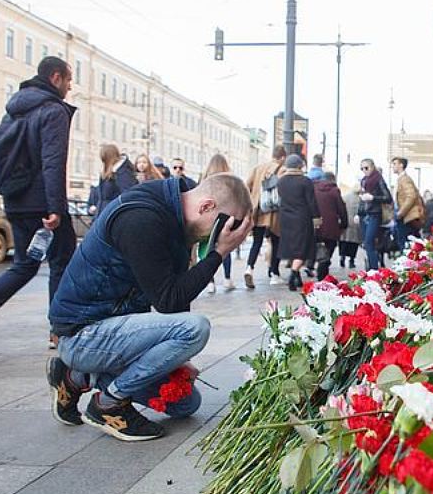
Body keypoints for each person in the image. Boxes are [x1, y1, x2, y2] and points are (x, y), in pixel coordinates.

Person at [46, 173, 253, 441]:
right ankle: (109, 403)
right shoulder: (141, 219)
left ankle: (75, 378)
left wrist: (180, 359)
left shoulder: (176, 213)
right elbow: (168, 301)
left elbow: (176, 299)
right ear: (206, 206)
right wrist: (219, 254)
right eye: (222, 226)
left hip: (112, 332)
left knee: (185, 403)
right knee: (196, 329)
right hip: (82, 335)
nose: (219, 236)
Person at [0, 56, 77, 354]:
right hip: (42, 204)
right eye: (69, 79)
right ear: (56, 77)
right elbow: (52, 162)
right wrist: (55, 208)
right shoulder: (52, 111)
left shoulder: (15, 111)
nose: (70, 86)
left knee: (25, 264)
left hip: (16, 199)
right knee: (64, 261)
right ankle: (60, 332)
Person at [244, 145, 287, 288]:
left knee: (257, 242)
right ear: (282, 157)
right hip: (274, 212)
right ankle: (274, 274)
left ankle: (249, 268)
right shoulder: (282, 169)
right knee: (276, 242)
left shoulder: (258, 168)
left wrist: (252, 199)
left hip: (258, 209)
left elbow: (246, 185)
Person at [277, 155, 320, 291]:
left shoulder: (281, 181)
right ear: (300, 166)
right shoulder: (305, 181)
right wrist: (317, 217)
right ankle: (293, 274)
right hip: (302, 218)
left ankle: (297, 279)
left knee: (293, 248)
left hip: (285, 218)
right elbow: (311, 202)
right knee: (303, 248)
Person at [201, 153, 236, 293]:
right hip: (224, 217)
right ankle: (227, 279)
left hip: (207, 217)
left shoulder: (204, 179)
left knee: (206, 249)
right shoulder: (230, 179)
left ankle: (210, 282)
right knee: (225, 248)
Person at [356, 159, 393, 271]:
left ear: (373, 167)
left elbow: (388, 198)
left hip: (375, 214)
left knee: (369, 242)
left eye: (366, 168)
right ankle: (371, 268)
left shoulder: (378, 179)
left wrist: (373, 198)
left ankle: (374, 269)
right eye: (362, 168)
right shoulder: (363, 180)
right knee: (366, 243)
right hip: (365, 215)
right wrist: (358, 213)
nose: (364, 170)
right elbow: (362, 199)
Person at [314, 171, 348, 280]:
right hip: (331, 226)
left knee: (318, 247)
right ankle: (323, 274)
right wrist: (344, 224)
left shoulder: (314, 189)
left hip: (316, 225)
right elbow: (341, 209)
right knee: (329, 249)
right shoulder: (334, 191)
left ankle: (319, 266)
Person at [390, 156, 425, 251]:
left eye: (394, 164)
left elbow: (411, 196)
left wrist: (401, 212)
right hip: (404, 216)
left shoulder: (404, 179)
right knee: (404, 242)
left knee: (404, 244)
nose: (392, 166)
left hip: (406, 217)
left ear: (401, 165)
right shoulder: (401, 179)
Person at [94, 145, 136, 216]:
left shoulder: (123, 172)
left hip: (113, 212)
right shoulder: (111, 172)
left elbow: (127, 194)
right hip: (105, 212)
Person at [339, 186, 361, 268]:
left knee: (344, 241)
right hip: (356, 224)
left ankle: (342, 257)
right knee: (354, 243)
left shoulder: (345, 197)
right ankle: (351, 260)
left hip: (346, 222)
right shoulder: (360, 200)